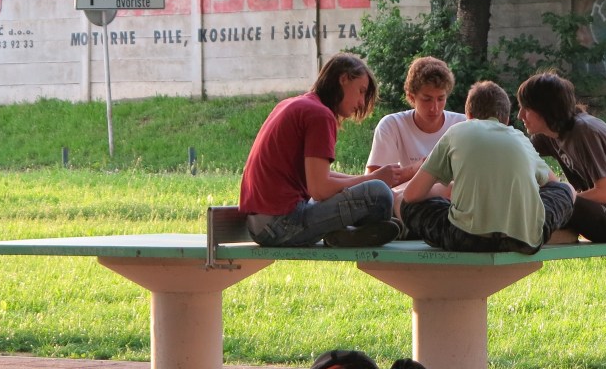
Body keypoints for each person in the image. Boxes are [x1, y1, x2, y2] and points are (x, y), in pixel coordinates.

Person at [239, 53, 401, 248]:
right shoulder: (319, 115)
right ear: (343, 79)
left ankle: (344, 233)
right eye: (361, 91)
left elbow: (318, 177)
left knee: (375, 187)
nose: (361, 102)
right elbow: (320, 189)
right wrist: (373, 179)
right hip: (281, 224)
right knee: (379, 193)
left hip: (259, 224)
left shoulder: (296, 104)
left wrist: (367, 179)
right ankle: (345, 232)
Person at [400, 80, 573, 253]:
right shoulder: (520, 138)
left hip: (465, 238)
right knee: (565, 190)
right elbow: (554, 184)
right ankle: (541, 230)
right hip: (524, 240)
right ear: (506, 120)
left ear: (468, 116)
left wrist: (447, 191)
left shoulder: (456, 131)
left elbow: (411, 195)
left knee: (407, 205)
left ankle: (434, 235)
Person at [515, 72, 606, 243]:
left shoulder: (583, 131)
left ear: (545, 110)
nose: (520, 115)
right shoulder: (548, 134)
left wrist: (560, 197)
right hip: (590, 210)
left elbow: (605, 193)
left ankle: (524, 237)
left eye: (526, 108)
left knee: (549, 199)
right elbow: (520, 156)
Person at [366, 56, 466, 209]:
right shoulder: (392, 125)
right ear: (411, 97)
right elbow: (372, 185)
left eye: (441, 99)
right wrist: (419, 168)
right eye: (427, 99)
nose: (435, 108)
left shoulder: (462, 125)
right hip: (411, 204)